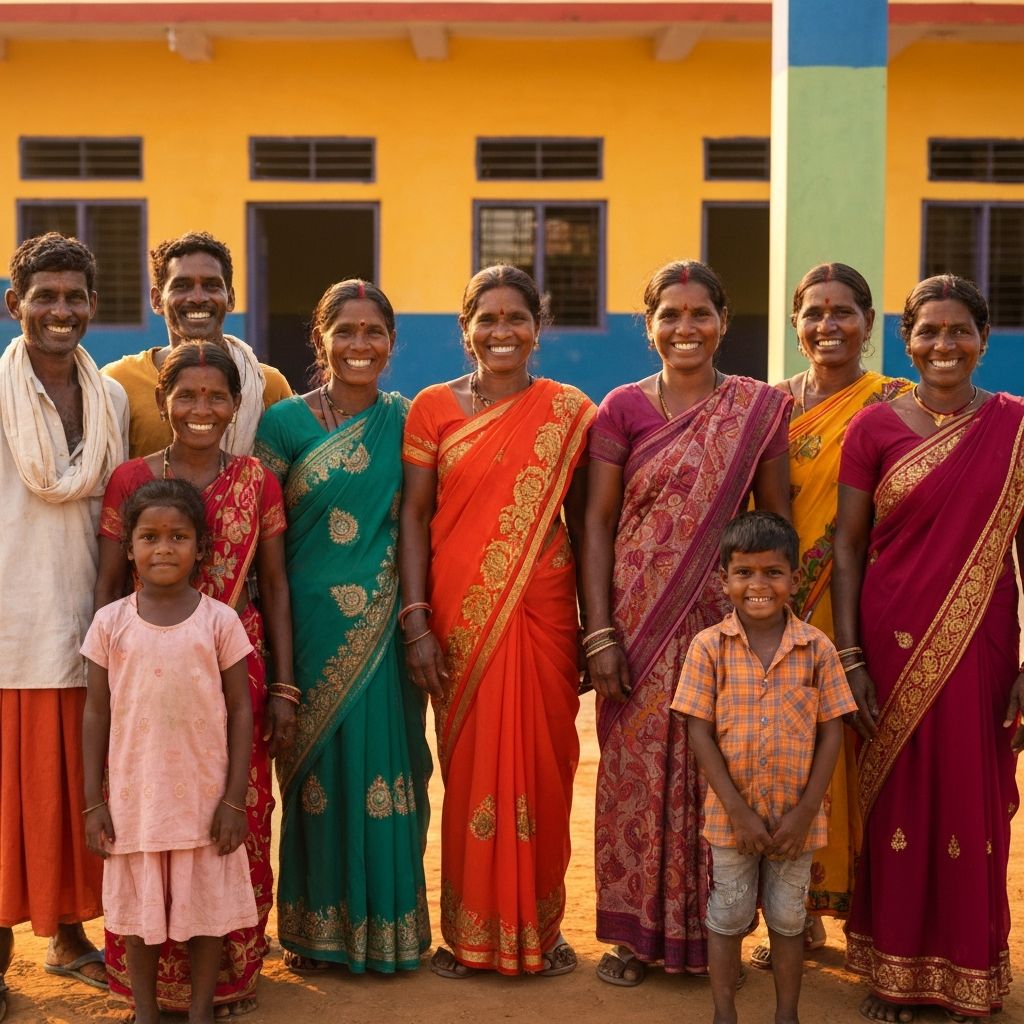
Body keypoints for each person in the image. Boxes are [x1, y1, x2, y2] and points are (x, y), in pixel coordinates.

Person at [582, 259, 791, 986]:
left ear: (724, 322)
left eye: (700, 313)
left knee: (717, 775)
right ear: (649, 328)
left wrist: (765, 627)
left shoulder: (758, 409)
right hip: (636, 626)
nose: (686, 328)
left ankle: (713, 936)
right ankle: (636, 939)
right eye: (669, 315)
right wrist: (601, 632)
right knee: (635, 777)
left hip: (717, 623)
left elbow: (771, 527)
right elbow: (598, 525)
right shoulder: (621, 409)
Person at [834, 274, 1024, 1022]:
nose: (944, 345)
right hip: (889, 638)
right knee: (897, 799)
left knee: (972, 804)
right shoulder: (873, 428)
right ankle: (895, 970)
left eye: (959, 331)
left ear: (983, 339)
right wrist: (849, 657)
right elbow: (848, 549)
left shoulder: (1013, 427)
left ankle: (967, 968)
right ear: (906, 341)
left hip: (982, 641)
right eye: (929, 332)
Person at [399, 265, 595, 977]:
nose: (502, 330)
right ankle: (471, 932)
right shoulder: (430, 409)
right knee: (473, 772)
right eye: (487, 318)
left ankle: (542, 926)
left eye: (517, 317)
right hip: (459, 617)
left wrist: (592, 626)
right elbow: (414, 518)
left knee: (545, 767)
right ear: (465, 328)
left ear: (536, 330)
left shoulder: (570, 411)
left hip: (543, 612)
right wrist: (416, 619)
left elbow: (586, 523)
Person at [94, 341, 295, 1018]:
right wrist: (107, 666)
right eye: (186, 395)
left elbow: (274, 585)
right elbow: (106, 585)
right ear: (162, 401)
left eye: (216, 397)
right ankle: (149, 993)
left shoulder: (257, 481)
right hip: (144, 679)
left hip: (237, 672)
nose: (201, 409)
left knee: (236, 825)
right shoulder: (129, 482)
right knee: (144, 824)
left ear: (238, 406)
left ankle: (229, 984)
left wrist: (286, 689)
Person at [255, 280, 432, 974]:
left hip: (386, 630)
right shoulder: (284, 424)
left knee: (393, 773)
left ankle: (389, 930)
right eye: (346, 331)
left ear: (392, 341)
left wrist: (418, 618)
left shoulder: (410, 418)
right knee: (315, 776)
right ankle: (315, 930)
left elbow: (422, 523)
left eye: (374, 332)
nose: (360, 345)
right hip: (307, 625)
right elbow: (264, 539)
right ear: (320, 338)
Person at [748, 263, 911, 970]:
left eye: (843, 312)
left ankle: (866, 920)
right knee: (787, 759)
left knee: (863, 755)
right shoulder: (770, 407)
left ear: (870, 324)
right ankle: (796, 917)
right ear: (794, 324)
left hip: (873, 603)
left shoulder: (899, 402)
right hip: (788, 609)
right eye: (813, 313)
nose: (828, 326)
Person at [0, 233, 128, 1021]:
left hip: (86, 622)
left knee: (76, 791)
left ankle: (72, 935)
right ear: (15, 306)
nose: (60, 311)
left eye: (74, 296)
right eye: (43, 296)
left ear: (92, 304)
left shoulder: (109, 397)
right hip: (9, 625)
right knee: (9, 798)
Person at [82, 479, 257, 1024]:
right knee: (139, 917)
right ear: (128, 547)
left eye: (178, 537)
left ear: (201, 548)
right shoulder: (110, 624)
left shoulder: (219, 620)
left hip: (204, 799)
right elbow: (95, 713)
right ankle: (148, 1012)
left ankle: (201, 1011)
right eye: (150, 537)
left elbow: (242, 709)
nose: (164, 548)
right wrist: (93, 801)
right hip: (136, 799)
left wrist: (233, 800)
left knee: (204, 912)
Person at [673, 511, 856, 1024]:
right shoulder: (709, 647)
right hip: (733, 822)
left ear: (794, 580)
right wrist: (737, 812)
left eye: (773, 573)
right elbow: (699, 732)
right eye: (745, 573)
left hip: (796, 824)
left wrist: (803, 814)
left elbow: (832, 732)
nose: (759, 585)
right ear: (724, 581)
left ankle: (787, 1015)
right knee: (728, 914)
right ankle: (724, 1013)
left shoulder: (817, 649)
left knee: (788, 918)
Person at [102, 231, 291, 458]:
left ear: (230, 298)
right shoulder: (120, 382)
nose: (198, 297)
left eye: (211, 286)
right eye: (182, 286)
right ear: (156, 299)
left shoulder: (266, 386)